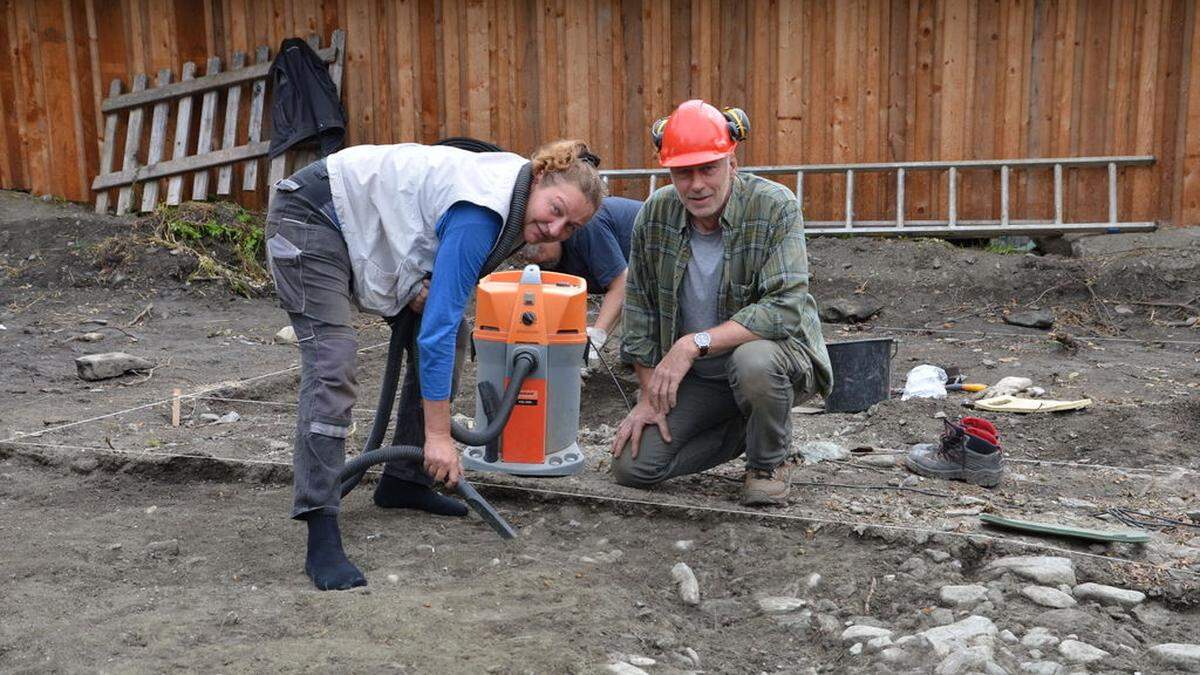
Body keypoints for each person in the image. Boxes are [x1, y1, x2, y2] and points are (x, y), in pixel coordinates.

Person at [266, 140, 604, 590]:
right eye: (556, 209)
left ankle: (404, 481)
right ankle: (321, 526)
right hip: (311, 215)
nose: (555, 228)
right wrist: (439, 437)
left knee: (451, 331)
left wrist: (419, 286)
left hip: (364, 227)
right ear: (540, 176)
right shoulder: (484, 210)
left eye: (570, 227)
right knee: (333, 362)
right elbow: (436, 331)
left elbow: (438, 279)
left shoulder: (517, 199)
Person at [610, 100, 832, 506]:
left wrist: (691, 344)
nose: (696, 184)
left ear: (732, 160)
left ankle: (768, 461)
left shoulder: (774, 206)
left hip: (775, 362)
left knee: (753, 362)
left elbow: (784, 307)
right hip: (703, 378)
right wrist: (649, 399)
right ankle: (752, 428)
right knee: (632, 467)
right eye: (683, 172)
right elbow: (640, 311)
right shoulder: (654, 216)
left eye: (708, 168)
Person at [520, 196, 641, 363]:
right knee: (632, 356)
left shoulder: (586, 226)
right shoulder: (541, 255)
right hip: (636, 279)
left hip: (664, 256)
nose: (542, 264)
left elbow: (622, 284)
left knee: (646, 356)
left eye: (541, 250)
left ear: (554, 231)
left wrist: (594, 341)